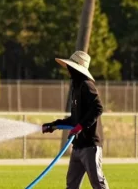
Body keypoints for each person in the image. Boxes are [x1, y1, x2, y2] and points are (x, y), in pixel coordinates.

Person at [42, 50, 109, 189]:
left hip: (90, 146)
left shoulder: (86, 85)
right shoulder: (76, 87)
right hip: (78, 147)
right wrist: (54, 125)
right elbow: (75, 119)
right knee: (71, 184)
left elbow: (98, 108)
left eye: (70, 67)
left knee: (98, 183)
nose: (68, 69)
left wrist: (80, 126)